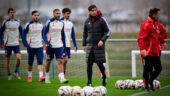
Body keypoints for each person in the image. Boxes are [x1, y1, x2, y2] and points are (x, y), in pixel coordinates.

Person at [137, 8, 166, 92]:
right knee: (147, 69)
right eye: (158, 14)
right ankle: (147, 87)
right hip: (147, 51)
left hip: (155, 51)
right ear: (154, 15)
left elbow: (158, 36)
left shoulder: (156, 24)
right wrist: (142, 49)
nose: (159, 15)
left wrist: (163, 42)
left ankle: (150, 81)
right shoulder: (145, 24)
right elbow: (140, 38)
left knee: (159, 68)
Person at [82, 5, 110, 86]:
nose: (94, 11)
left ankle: (104, 77)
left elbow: (108, 31)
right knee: (89, 64)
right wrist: (84, 44)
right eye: (92, 10)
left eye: (95, 10)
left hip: (99, 46)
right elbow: (84, 33)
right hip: (90, 46)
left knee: (99, 64)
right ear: (89, 12)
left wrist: (102, 40)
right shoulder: (87, 21)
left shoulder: (102, 19)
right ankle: (89, 82)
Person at [43, 9, 68, 84]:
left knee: (60, 61)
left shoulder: (61, 23)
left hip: (59, 46)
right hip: (50, 46)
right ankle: (47, 77)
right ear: (53, 14)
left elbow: (62, 34)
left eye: (59, 13)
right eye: (57, 13)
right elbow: (44, 33)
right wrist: (47, 42)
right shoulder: (49, 22)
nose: (58, 15)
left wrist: (64, 45)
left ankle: (62, 78)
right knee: (48, 62)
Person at [22, 10, 45, 82]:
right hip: (31, 46)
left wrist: (47, 41)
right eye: (35, 15)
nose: (36, 17)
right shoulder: (28, 24)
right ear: (32, 16)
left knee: (40, 61)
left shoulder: (41, 25)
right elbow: (23, 35)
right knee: (30, 62)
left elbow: (43, 35)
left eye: (37, 15)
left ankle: (41, 77)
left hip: (39, 46)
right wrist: (26, 44)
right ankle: (29, 76)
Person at [0, 8, 22, 80]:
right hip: (8, 44)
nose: (12, 14)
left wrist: (24, 41)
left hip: (16, 44)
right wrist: (2, 42)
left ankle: (15, 71)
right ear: (8, 14)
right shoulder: (5, 22)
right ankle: (9, 74)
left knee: (19, 58)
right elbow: (1, 32)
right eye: (11, 12)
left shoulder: (17, 22)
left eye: (13, 12)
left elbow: (22, 32)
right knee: (8, 60)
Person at [60, 8, 78, 77]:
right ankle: (61, 74)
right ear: (63, 14)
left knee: (66, 61)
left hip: (68, 45)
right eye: (67, 14)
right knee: (64, 59)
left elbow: (73, 35)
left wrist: (75, 45)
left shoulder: (71, 23)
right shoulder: (60, 22)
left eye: (69, 14)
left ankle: (64, 73)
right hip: (61, 45)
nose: (69, 15)